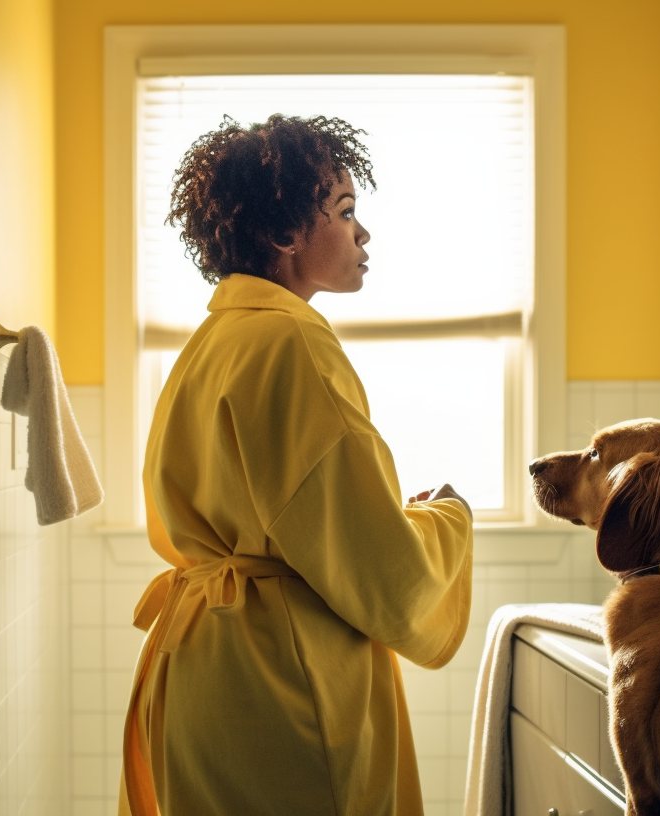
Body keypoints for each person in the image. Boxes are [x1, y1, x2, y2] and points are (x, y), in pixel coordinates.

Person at [119, 114, 475, 816]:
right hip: (282, 682)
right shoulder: (290, 343)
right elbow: (379, 567)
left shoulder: (215, 340)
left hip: (201, 675)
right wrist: (448, 517)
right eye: (344, 212)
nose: (363, 233)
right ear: (285, 234)